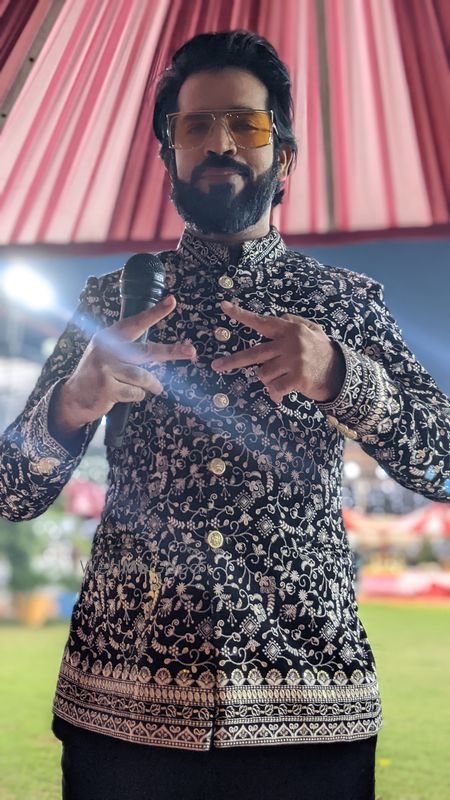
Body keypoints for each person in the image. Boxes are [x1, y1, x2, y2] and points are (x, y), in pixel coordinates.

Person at [1, 29, 449, 800]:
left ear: (286, 157)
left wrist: (342, 375)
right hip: (122, 707)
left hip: (310, 708)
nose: (221, 143)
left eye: (246, 123)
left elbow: (442, 462)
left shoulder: (343, 302)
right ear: (169, 153)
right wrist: (74, 400)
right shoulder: (107, 304)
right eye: (197, 125)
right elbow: (12, 490)